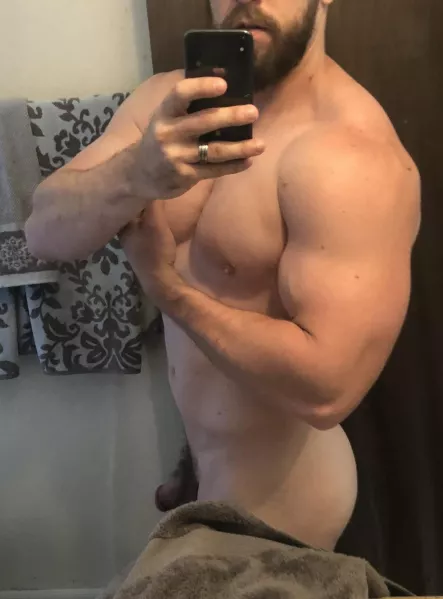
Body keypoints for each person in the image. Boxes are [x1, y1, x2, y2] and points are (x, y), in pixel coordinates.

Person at [25, 0, 420, 550]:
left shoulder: (347, 156)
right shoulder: (166, 107)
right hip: (199, 468)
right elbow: (44, 232)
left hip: (281, 506)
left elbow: (326, 392)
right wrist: (135, 172)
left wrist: (167, 291)